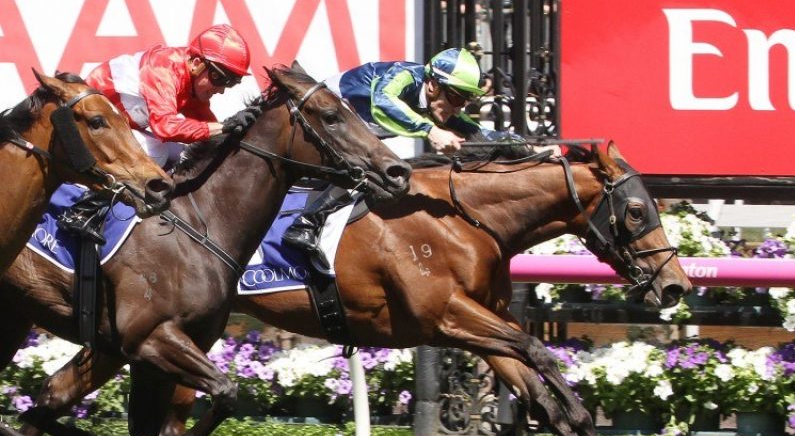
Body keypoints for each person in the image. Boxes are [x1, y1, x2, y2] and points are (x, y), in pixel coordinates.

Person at [284, 47, 528, 270]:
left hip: (347, 139)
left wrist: (517, 143)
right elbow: (383, 102)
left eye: (465, 100)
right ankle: (306, 223)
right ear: (432, 85)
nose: (458, 108)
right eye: (456, 98)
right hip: (316, 125)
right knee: (379, 170)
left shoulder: (439, 103)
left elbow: (477, 132)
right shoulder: (404, 76)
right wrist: (431, 130)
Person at [60, 24, 259, 241]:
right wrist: (224, 126)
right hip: (89, 126)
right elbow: (167, 128)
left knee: (183, 153)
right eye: (220, 78)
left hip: (118, 125)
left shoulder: (189, 81)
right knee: (158, 152)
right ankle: (81, 212)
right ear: (196, 63)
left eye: (230, 83)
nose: (221, 89)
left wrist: (237, 131)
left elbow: (206, 125)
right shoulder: (164, 68)